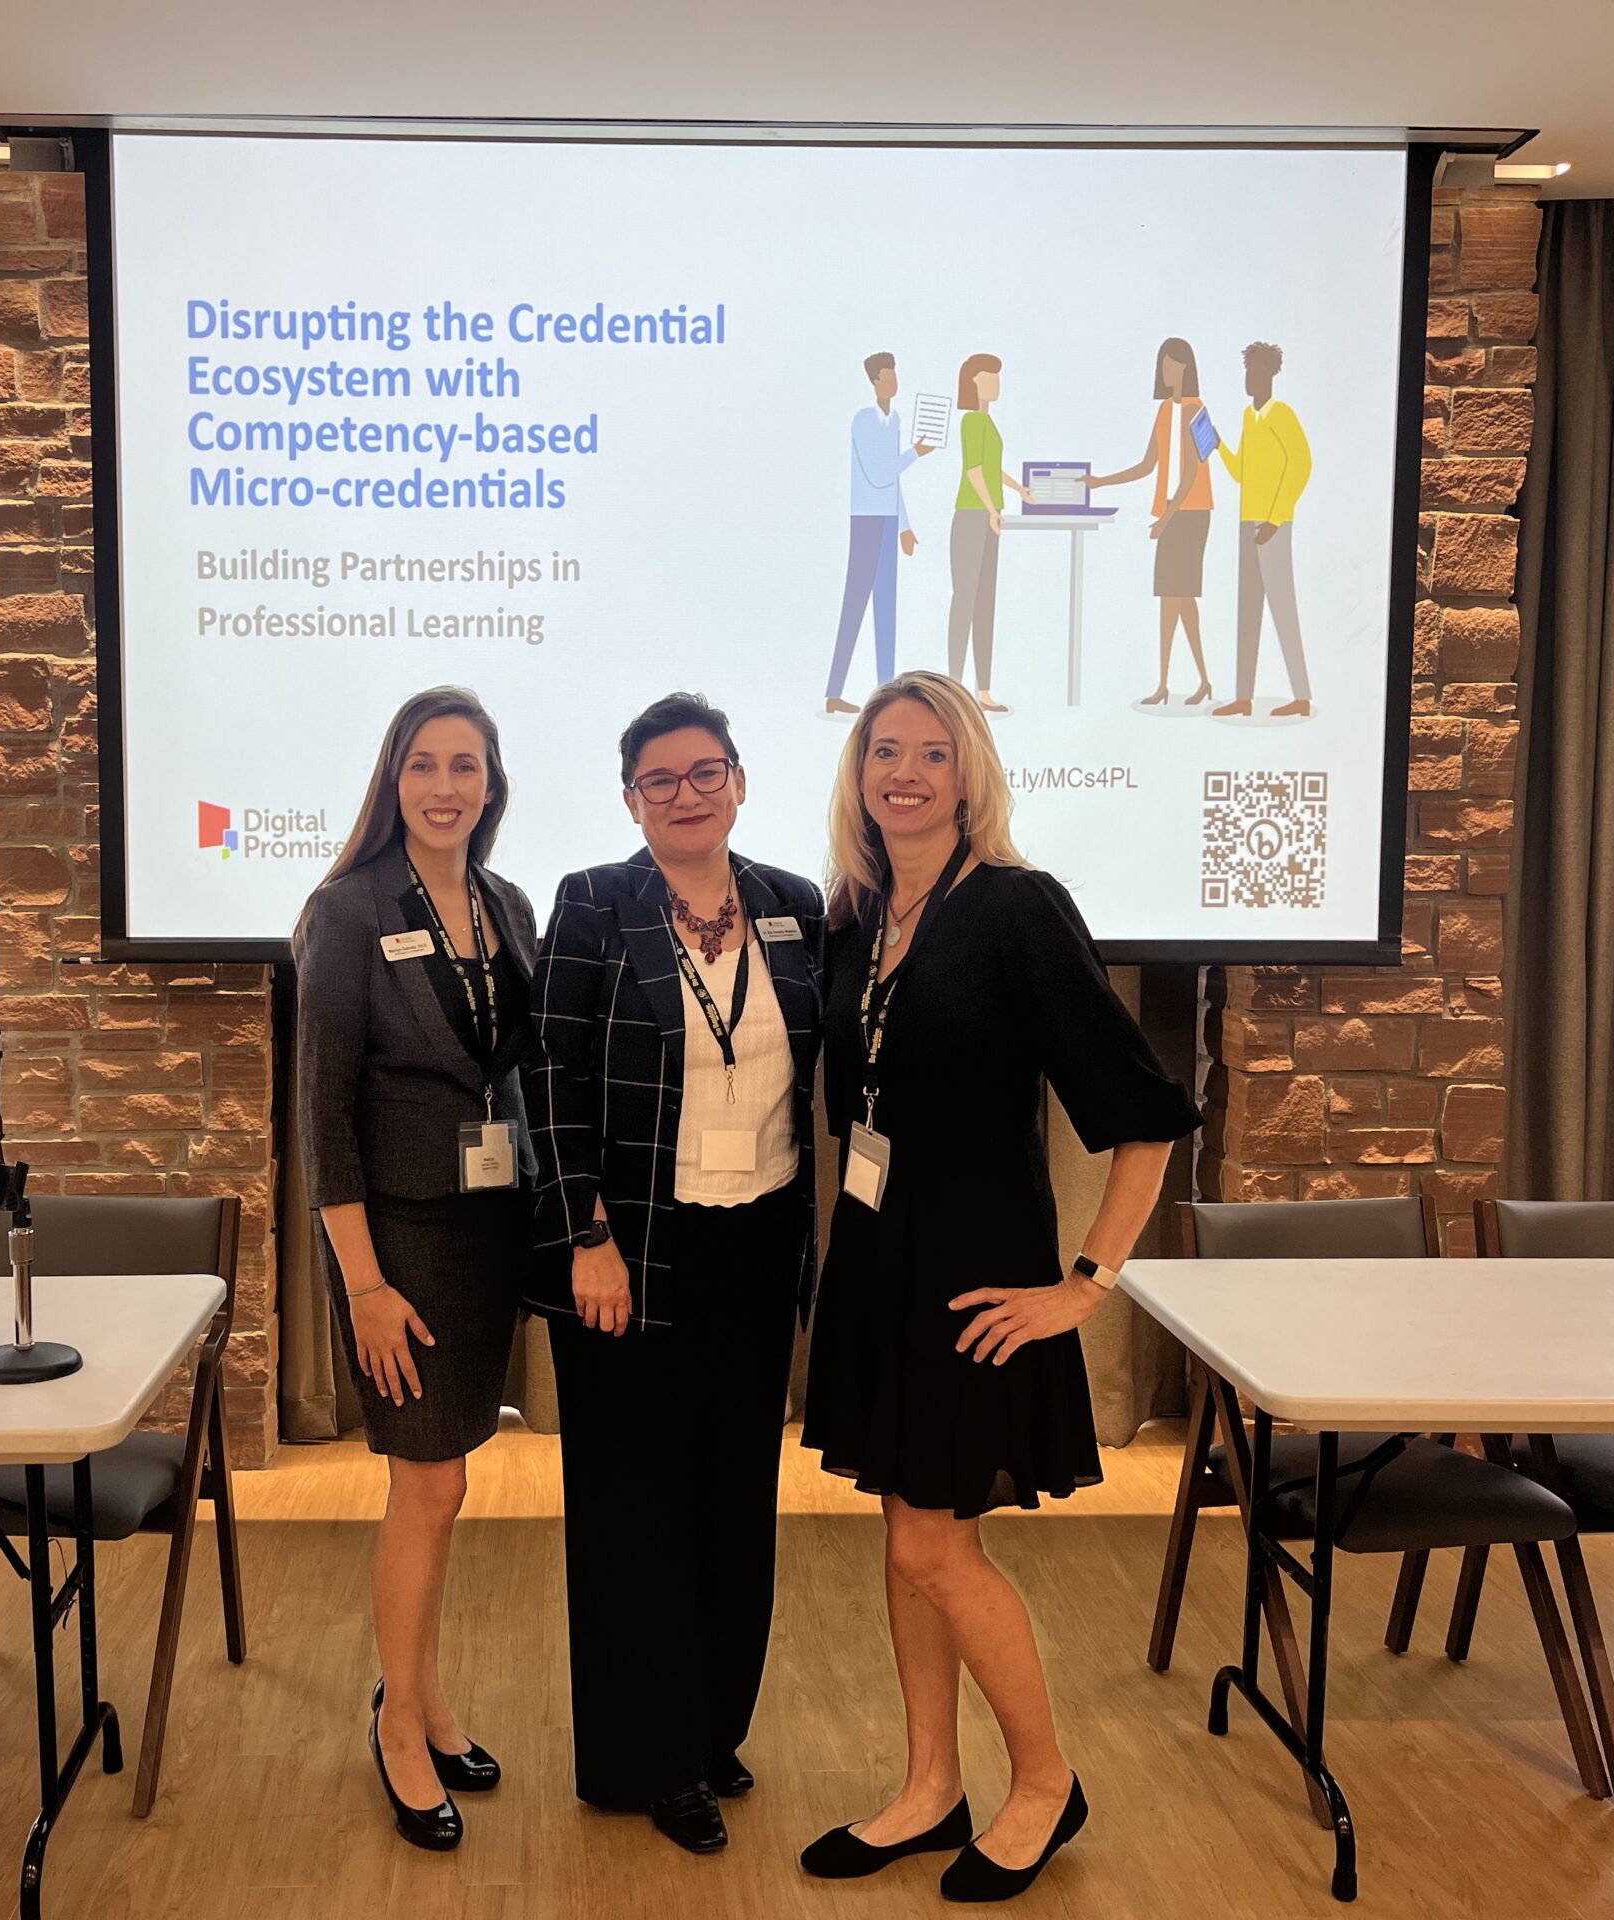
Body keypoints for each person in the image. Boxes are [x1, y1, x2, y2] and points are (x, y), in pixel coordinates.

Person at [798, 670, 1201, 1902]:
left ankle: (1043, 1783)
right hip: (877, 1266)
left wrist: (1085, 1283)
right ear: (858, 776)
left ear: (968, 772)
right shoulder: (855, 919)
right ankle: (931, 1787)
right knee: (909, 1531)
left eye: (929, 751)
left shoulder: (1019, 909)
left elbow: (1143, 1116)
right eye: (882, 752)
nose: (903, 772)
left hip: (979, 1286)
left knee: (936, 1546)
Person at [527, 692, 825, 1855]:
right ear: (631, 801)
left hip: (754, 1245)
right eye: (662, 780)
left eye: (707, 772)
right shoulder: (594, 905)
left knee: (731, 1498)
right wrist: (584, 1237)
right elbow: (545, 1080)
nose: (687, 795)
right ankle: (642, 1760)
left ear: (740, 782)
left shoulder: (797, 909)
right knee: (632, 1507)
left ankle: (708, 1730)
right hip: (628, 1252)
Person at [294, 686, 540, 1852]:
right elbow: (323, 1119)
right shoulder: (346, 911)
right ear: (393, 780)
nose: (446, 786)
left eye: (467, 766)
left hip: (492, 1230)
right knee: (425, 1485)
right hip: (399, 1242)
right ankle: (398, 1726)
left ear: (492, 785)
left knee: (447, 1484)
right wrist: (365, 1285)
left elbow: (517, 1072)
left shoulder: (507, 904)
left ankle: (427, 1700)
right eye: (424, 765)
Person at [1085, 337, 1216, 705]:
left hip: (1191, 514)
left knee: (1181, 596)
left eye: (1172, 363)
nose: (1166, 370)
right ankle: (1169, 683)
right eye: (1163, 364)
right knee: (1173, 599)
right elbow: (1148, 465)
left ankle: (1196, 680)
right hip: (1171, 514)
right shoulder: (1164, 412)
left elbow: (1191, 473)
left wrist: (1166, 520)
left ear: (1186, 367)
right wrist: (1101, 482)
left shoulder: (1195, 409)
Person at [1211, 340, 1315, 718]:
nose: (1249, 379)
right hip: (1247, 522)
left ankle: (1301, 696)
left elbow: (1301, 464)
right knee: (1248, 609)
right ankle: (1243, 697)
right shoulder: (1247, 418)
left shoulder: (1281, 415)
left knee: (1283, 607)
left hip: (1273, 524)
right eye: (1247, 371)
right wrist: (1217, 445)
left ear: (1271, 374)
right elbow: (1241, 472)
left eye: (1256, 372)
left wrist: (1275, 517)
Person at [825, 352, 933, 715]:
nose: (893, 382)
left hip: (888, 519)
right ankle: (834, 691)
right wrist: (915, 453)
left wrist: (904, 526)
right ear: (875, 381)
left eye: (895, 375)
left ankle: (888, 697)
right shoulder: (864, 421)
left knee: (887, 608)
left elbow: (894, 482)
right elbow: (879, 472)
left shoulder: (895, 419)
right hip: (867, 519)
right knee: (855, 603)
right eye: (887, 376)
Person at [946, 354, 1033, 714]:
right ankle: (952, 687)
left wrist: (1019, 490)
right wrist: (992, 510)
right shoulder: (970, 421)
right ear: (974, 381)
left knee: (985, 605)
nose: (997, 383)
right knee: (965, 601)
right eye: (990, 377)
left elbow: (994, 469)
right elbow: (976, 471)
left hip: (987, 517)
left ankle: (983, 691)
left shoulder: (988, 422)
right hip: (971, 517)